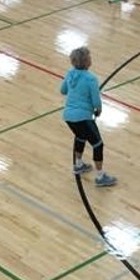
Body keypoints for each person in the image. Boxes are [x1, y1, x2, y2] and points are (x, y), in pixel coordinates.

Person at [60, 47, 116, 187]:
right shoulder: (91, 78)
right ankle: (100, 176)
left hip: (68, 116)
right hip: (83, 117)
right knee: (98, 144)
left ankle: (78, 164)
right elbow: (96, 100)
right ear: (86, 61)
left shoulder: (70, 73)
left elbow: (63, 90)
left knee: (80, 136)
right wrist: (98, 110)